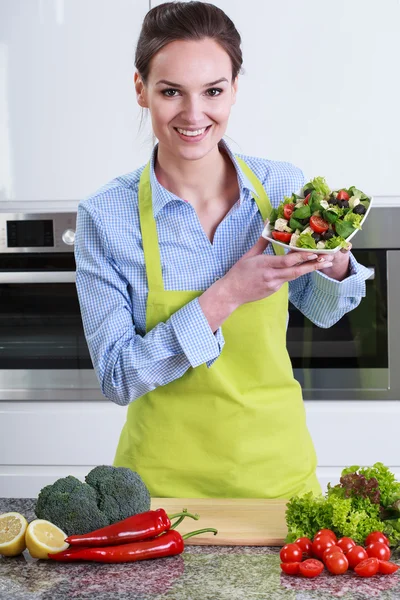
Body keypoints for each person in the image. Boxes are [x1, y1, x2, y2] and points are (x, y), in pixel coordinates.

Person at [75, 1, 370, 499]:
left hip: (277, 480)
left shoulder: (280, 188)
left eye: (212, 91)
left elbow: (322, 312)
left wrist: (331, 255)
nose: (194, 115)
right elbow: (118, 378)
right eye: (171, 92)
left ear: (234, 91)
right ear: (141, 90)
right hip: (159, 492)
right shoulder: (106, 216)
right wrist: (227, 293)